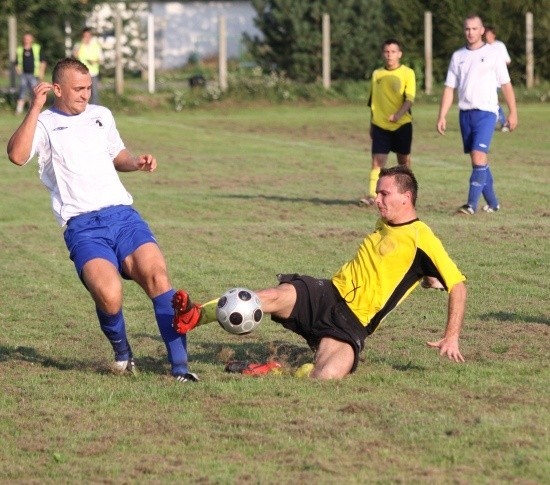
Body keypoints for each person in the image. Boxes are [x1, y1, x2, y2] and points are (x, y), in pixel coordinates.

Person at [173, 166, 467, 380]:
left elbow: (458, 285)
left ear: (407, 197)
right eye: (377, 192)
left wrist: (450, 336)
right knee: (271, 296)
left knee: (326, 376)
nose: (376, 199)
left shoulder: (422, 237)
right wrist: (427, 278)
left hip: (352, 324)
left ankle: (275, 370)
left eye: (384, 193)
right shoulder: (387, 223)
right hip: (326, 293)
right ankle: (196, 315)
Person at [6, 58, 198, 383]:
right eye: (78, 89)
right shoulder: (44, 124)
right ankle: (123, 354)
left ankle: (180, 369)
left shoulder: (101, 115)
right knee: (109, 295)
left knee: (158, 277)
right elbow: (16, 155)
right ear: (57, 89)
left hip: (123, 216)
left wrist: (135, 162)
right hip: (82, 226)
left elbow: (116, 156)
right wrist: (34, 109)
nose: (85, 95)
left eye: (89, 88)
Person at [437, 14, 518, 216]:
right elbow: (449, 88)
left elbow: (506, 84)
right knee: (478, 160)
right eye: (467, 29)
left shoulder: (493, 54)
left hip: (486, 113)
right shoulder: (458, 56)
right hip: (465, 114)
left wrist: (513, 113)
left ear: (482, 30)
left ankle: (470, 205)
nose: (470, 32)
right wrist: (442, 115)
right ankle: (493, 203)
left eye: (474, 29)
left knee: (479, 155)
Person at [360, 39, 416, 206]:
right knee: (377, 161)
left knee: (403, 162)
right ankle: (372, 195)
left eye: (393, 51)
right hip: (380, 126)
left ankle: (407, 194)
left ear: (399, 54)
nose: (389, 55)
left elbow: (410, 99)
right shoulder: (377, 74)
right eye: (386, 52)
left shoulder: (408, 73)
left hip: (402, 124)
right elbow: (373, 102)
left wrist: (398, 115)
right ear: (383, 54)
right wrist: (372, 123)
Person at [484, 25, 512, 131]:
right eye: (486, 35)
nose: (488, 37)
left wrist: (497, 64)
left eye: (489, 34)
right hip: (487, 80)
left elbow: (507, 60)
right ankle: (496, 121)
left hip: (498, 80)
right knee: (490, 101)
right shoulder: (483, 47)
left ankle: (504, 122)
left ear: (493, 35)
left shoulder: (499, 46)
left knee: (493, 102)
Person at [14, 33, 47, 115]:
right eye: (25, 38)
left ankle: (34, 108)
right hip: (23, 75)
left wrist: (41, 73)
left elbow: (43, 61)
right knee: (22, 91)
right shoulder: (19, 49)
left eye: (29, 38)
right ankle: (19, 109)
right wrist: (18, 71)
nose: (27, 40)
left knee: (34, 92)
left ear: (32, 39)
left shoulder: (36, 48)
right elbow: (16, 63)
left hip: (34, 75)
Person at [72, 27, 102, 105]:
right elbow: (75, 55)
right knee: (80, 93)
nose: (87, 38)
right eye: (85, 36)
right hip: (81, 74)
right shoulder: (78, 45)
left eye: (88, 36)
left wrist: (93, 61)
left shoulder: (96, 46)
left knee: (94, 93)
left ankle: (94, 112)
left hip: (93, 73)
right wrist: (81, 44)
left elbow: (100, 59)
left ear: (91, 36)